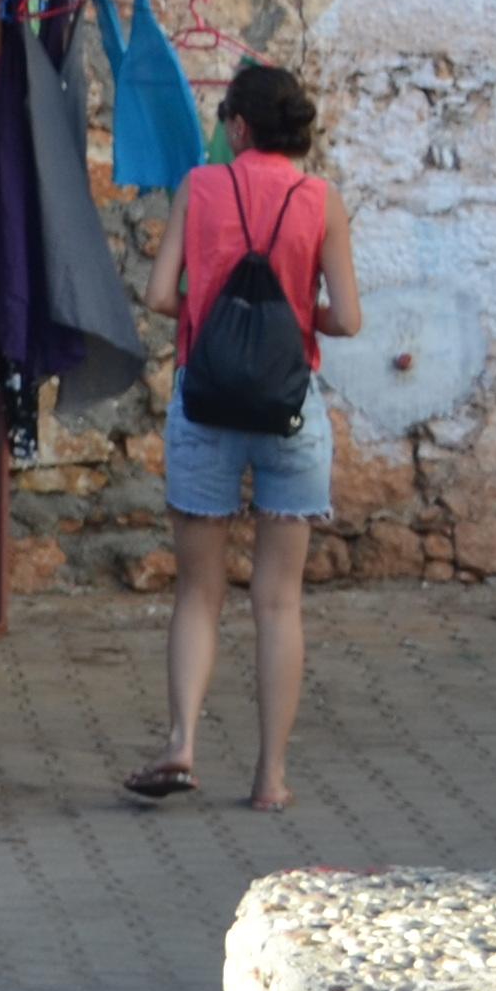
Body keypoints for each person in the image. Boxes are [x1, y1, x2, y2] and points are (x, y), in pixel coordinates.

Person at [127, 61, 360, 813]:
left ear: (237, 127)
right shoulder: (321, 199)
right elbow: (348, 319)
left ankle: (182, 743)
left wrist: (215, 318)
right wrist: (290, 319)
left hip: (206, 406)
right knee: (278, 602)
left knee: (198, 592)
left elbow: (163, 296)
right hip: (291, 414)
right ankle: (269, 780)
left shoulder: (203, 187)